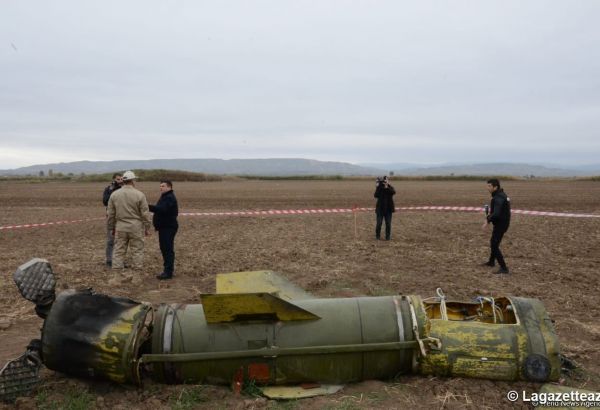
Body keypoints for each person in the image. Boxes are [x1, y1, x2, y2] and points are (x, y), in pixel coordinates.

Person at [107, 171, 152, 270]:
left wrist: (111, 227)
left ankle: (117, 275)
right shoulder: (140, 195)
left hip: (120, 227)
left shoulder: (114, 195)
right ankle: (137, 274)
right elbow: (145, 214)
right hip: (136, 227)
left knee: (119, 251)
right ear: (133, 180)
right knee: (137, 251)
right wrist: (147, 227)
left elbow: (110, 214)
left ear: (124, 180)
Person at [149, 180, 179, 280]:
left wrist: (146, 206)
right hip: (164, 227)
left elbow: (161, 209)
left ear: (169, 187)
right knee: (165, 249)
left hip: (168, 228)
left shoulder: (169, 197)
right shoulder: (165, 196)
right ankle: (167, 270)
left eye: (163, 186)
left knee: (167, 249)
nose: (161, 188)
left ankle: (168, 272)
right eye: (160, 186)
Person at [482, 178, 511, 274]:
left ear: (495, 187)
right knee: (494, 242)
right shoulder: (499, 195)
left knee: (494, 244)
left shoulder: (498, 197)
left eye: (489, 186)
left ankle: (504, 268)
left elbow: (497, 213)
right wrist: (490, 217)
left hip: (501, 224)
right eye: (487, 185)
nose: (487, 188)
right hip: (500, 223)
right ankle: (491, 262)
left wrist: (488, 220)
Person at [102, 173, 123, 267]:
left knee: (122, 240)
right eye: (118, 179)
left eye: (121, 179)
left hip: (122, 217)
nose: (120, 181)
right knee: (111, 239)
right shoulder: (108, 189)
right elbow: (105, 201)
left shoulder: (124, 189)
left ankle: (119, 260)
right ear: (114, 180)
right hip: (111, 217)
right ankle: (109, 260)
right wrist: (112, 189)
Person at [374, 176, 396, 240]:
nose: (384, 182)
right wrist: (377, 187)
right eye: (384, 181)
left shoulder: (390, 187)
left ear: (388, 181)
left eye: (386, 181)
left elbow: (393, 192)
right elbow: (375, 195)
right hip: (380, 209)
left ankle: (388, 237)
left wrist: (387, 187)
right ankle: (377, 236)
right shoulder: (379, 187)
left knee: (388, 224)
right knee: (379, 223)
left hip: (388, 209)